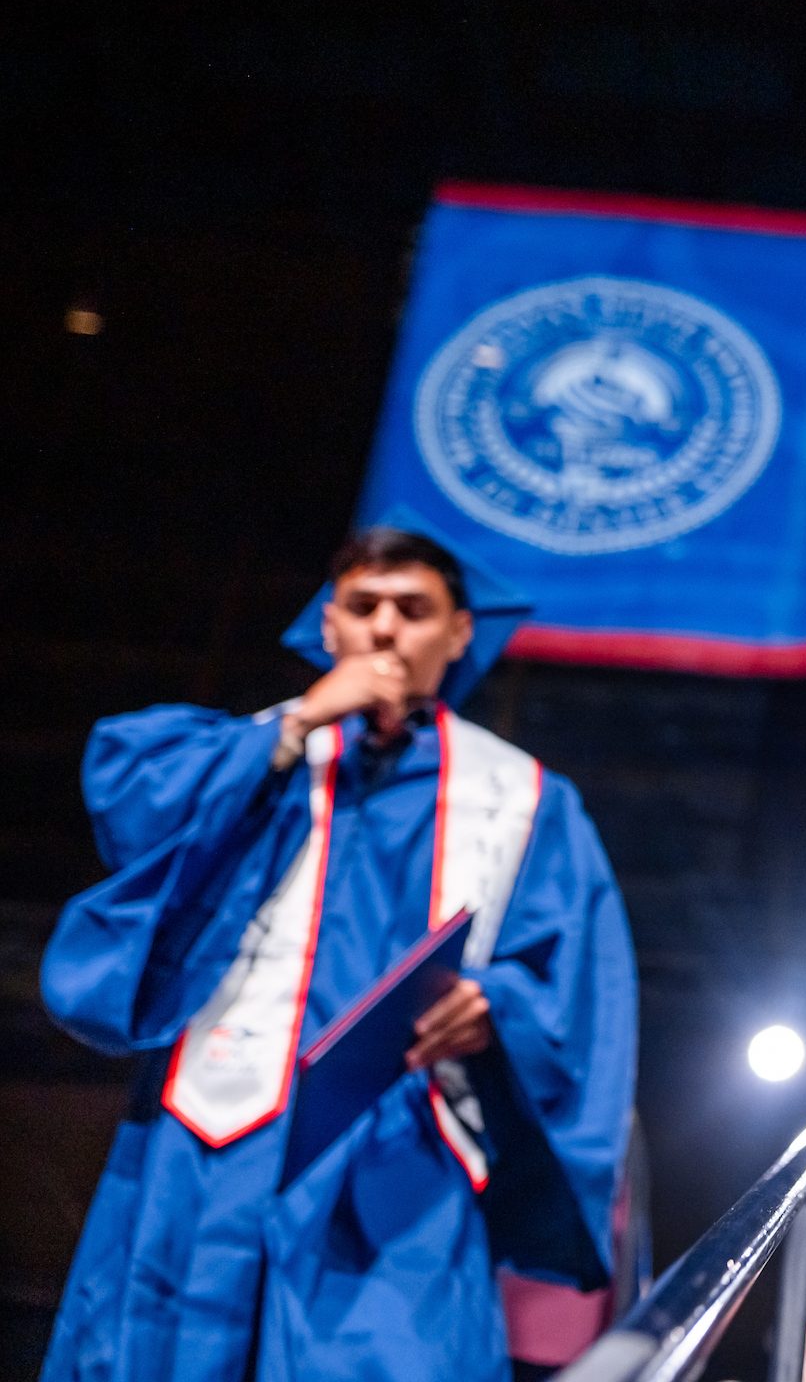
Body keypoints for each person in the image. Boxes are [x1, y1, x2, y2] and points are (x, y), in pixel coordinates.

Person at [40, 522, 638, 1382]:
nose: (386, 630)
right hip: (212, 1133)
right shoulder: (259, 749)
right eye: (363, 607)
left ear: (461, 633)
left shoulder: (524, 796)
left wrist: (495, 1005)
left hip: (400, 1153)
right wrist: (300, 721)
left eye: (414, 610)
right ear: (329, 628)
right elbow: (130, 810)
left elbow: (579, 988)